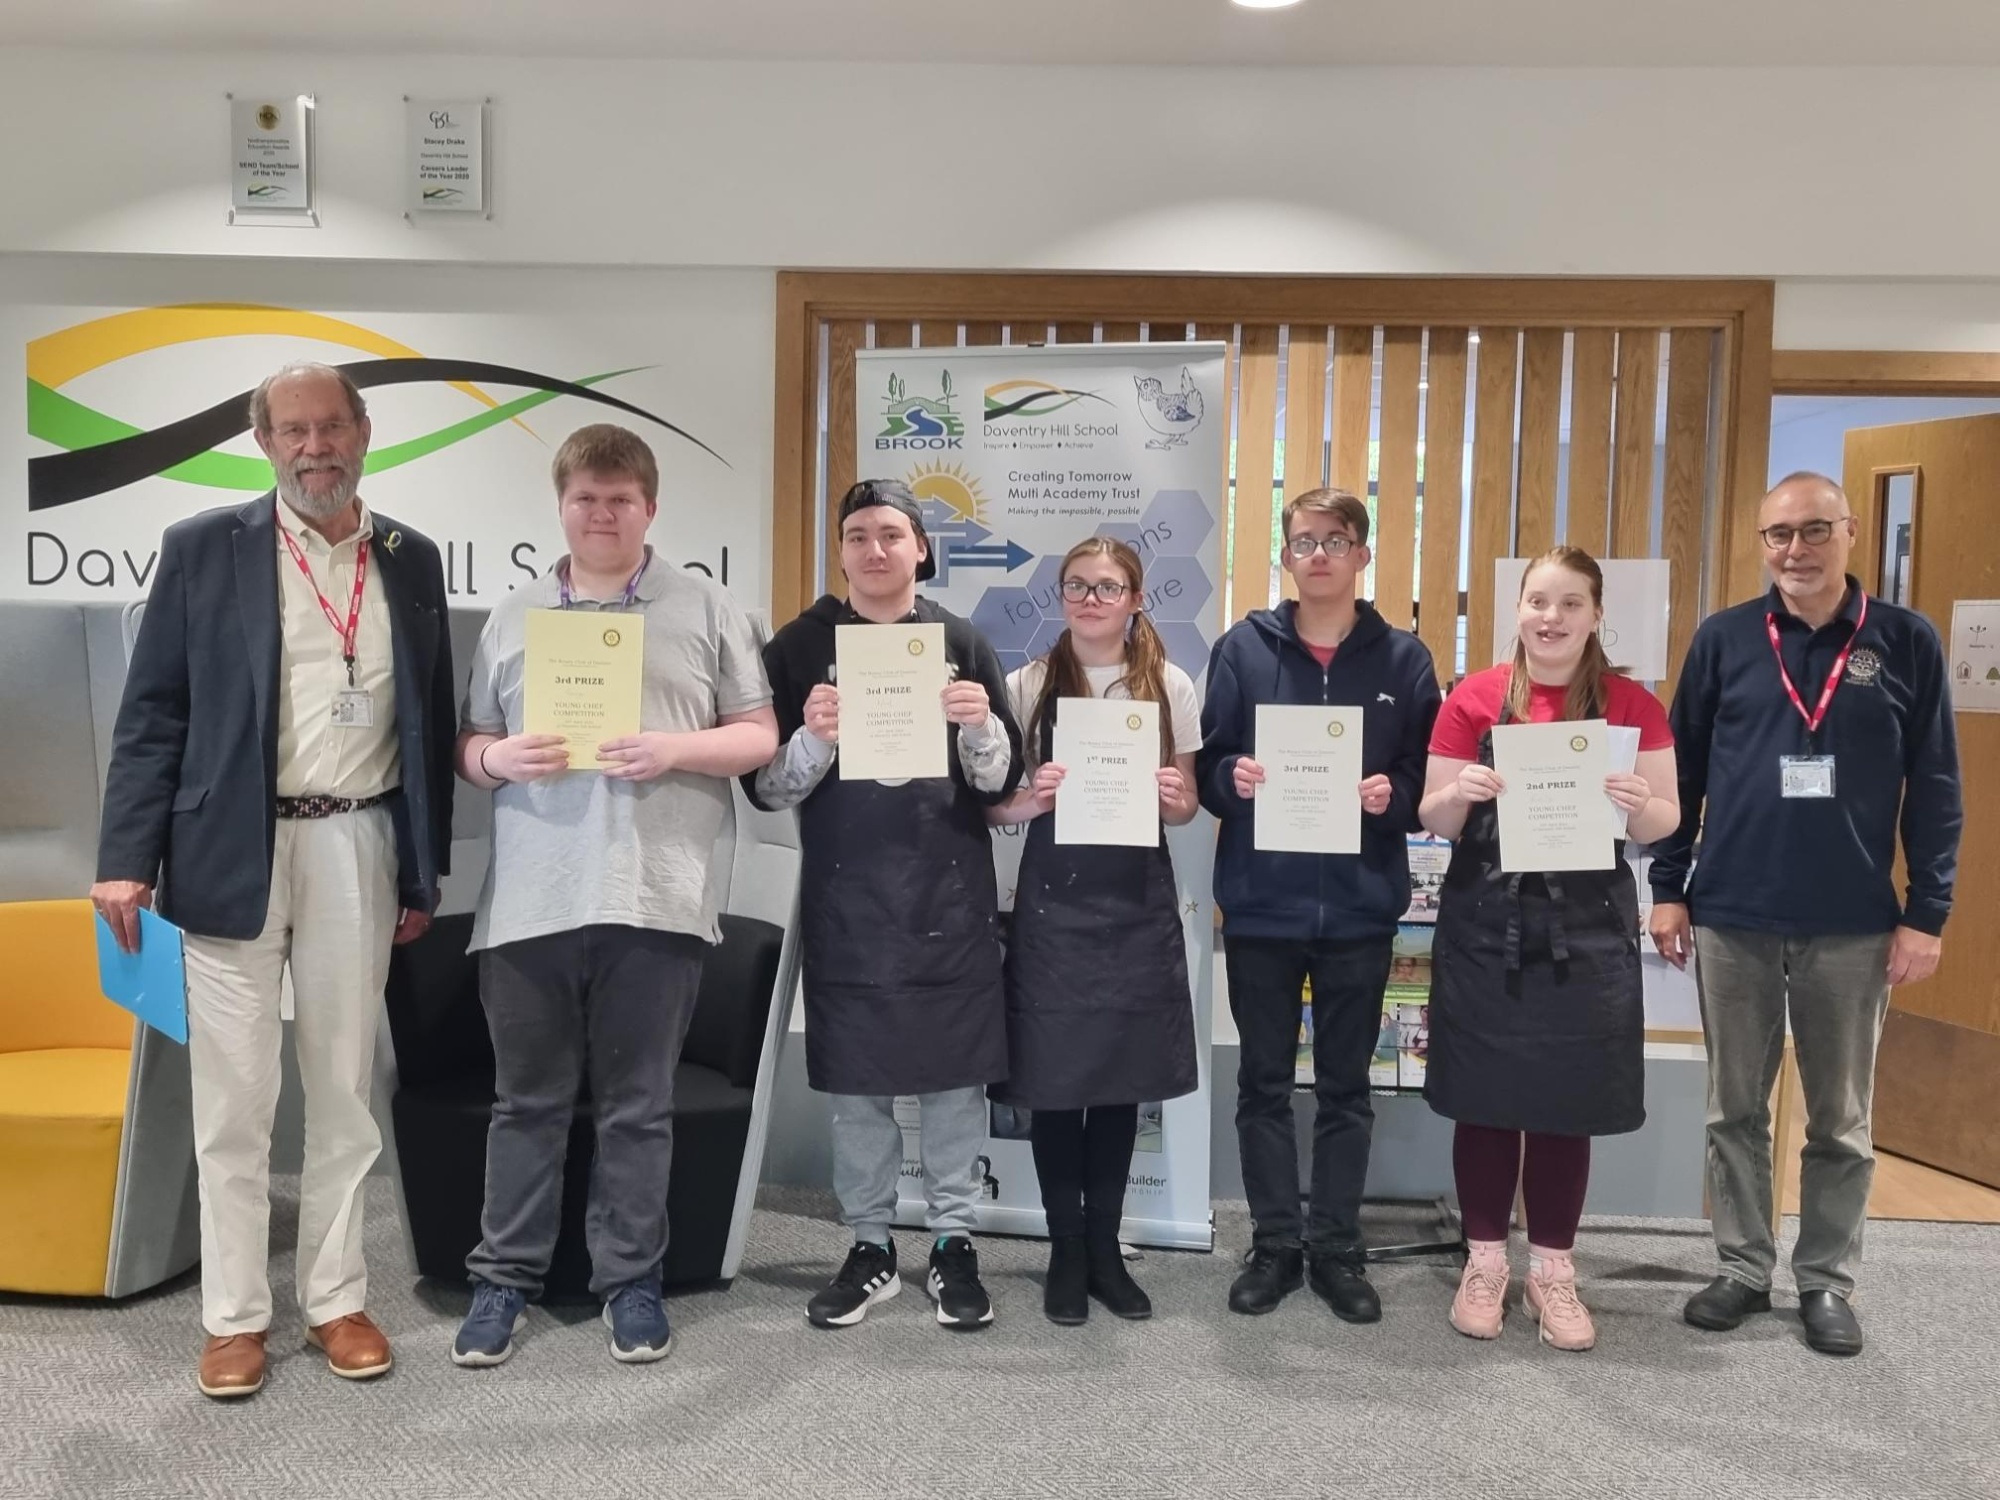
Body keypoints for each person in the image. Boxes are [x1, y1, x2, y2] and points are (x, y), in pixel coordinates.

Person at [91, 362, 456, 1400]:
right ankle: (235, 1318)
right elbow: (152, 713)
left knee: (342, 1092)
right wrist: (125, 857)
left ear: (364, 432)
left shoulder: (409, 558)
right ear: (265, 444)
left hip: (361, 847)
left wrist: (420, 871)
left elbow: (425, 719)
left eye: (330, 427)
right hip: (228, 854)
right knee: (234, 1100)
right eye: (291, 431)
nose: (313, 448)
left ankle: (337, 1300)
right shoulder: (205, 549)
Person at [447, 425, 776, 1367]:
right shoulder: (513, 615)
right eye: (586, 498)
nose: (602, 513)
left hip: (656, 895)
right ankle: (502, 1281)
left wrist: (673, 748)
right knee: (526, 1104)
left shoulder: (708, 606)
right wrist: (495, 759)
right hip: (531, 904)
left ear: (651, 509)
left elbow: (757, 735)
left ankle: (629, 1281)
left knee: (639, 1107)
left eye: (620, 499)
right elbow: (472, 744)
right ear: (561, 506)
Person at [1649, 472, 1961, 1358]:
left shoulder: (1905, 643)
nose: (1795, 550)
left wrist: (1927, 912)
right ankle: (1744, 1267)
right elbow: (1685, 776)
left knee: (1842, 1118)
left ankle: (1825, 1279)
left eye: (1814, 530)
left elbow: (1936, 786)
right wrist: (1669, 888)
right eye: (1778, 534)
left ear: (1850, 532)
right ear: (1761, 542)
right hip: (1733, 913)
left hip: (1856, 922)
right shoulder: (1724, 640)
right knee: (1732, 1109)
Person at [746, 479, 1023, 1331]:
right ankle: (869, 1246)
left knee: (951, 1078)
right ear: (840, 552)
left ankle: (952, 1242)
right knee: (858, 1085)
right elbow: (766, 787)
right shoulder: (798, 647)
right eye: (858, 534)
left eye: (892, 534)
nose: (875, 549)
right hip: (847, 897)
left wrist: (979, 725)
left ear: (921, 550)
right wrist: (813, 739)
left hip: (947, 894)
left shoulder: (961, 640)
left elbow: (998, 783)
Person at [1419, 546, 1678, 1352]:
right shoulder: (1476, 696)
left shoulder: (1634, 704)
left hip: (1590, 930)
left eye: (1570, 603)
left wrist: (1640, 806)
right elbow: (1435, 817)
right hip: (1487, 921)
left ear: (1597, 615)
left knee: (1569, 1104)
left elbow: (1665, 821)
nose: (1551, 617)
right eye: (1538, 601)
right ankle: (1487, 1260)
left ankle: (1555, 1272)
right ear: (1518, 611)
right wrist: (1459, 792)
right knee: (1487, 1100)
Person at [1196, 487, 1442, 1322]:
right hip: (1263, 905)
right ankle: (1273, 1244)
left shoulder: (1404, 659)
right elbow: (1209, 769)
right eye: (1304, 541)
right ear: (1286, 557)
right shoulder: (1243, 648)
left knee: (1346, 1089)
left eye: (1337, 540)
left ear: (1362, 555)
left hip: (1360, 911)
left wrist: (1393, 793)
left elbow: (1427, 777)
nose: (1320, 555)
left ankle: (1336, 1247)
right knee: (1262, 1084)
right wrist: (1233, 778)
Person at [985, 537, 1203, 1325]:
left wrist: (1172, 791)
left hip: (1135, 902)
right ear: (1061, 595)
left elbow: (1187, 807)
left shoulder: (1169, 685)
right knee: (1054, 1083)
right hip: (1054, 902)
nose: (1090, 599)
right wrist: (1031, 798)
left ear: (1135, 599)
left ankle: (1107, 1250)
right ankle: (1066, 1249)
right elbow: (994, 805)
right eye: (1077, 586)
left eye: (1107, 587)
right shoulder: (1027, 683)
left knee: (1115, 1082)